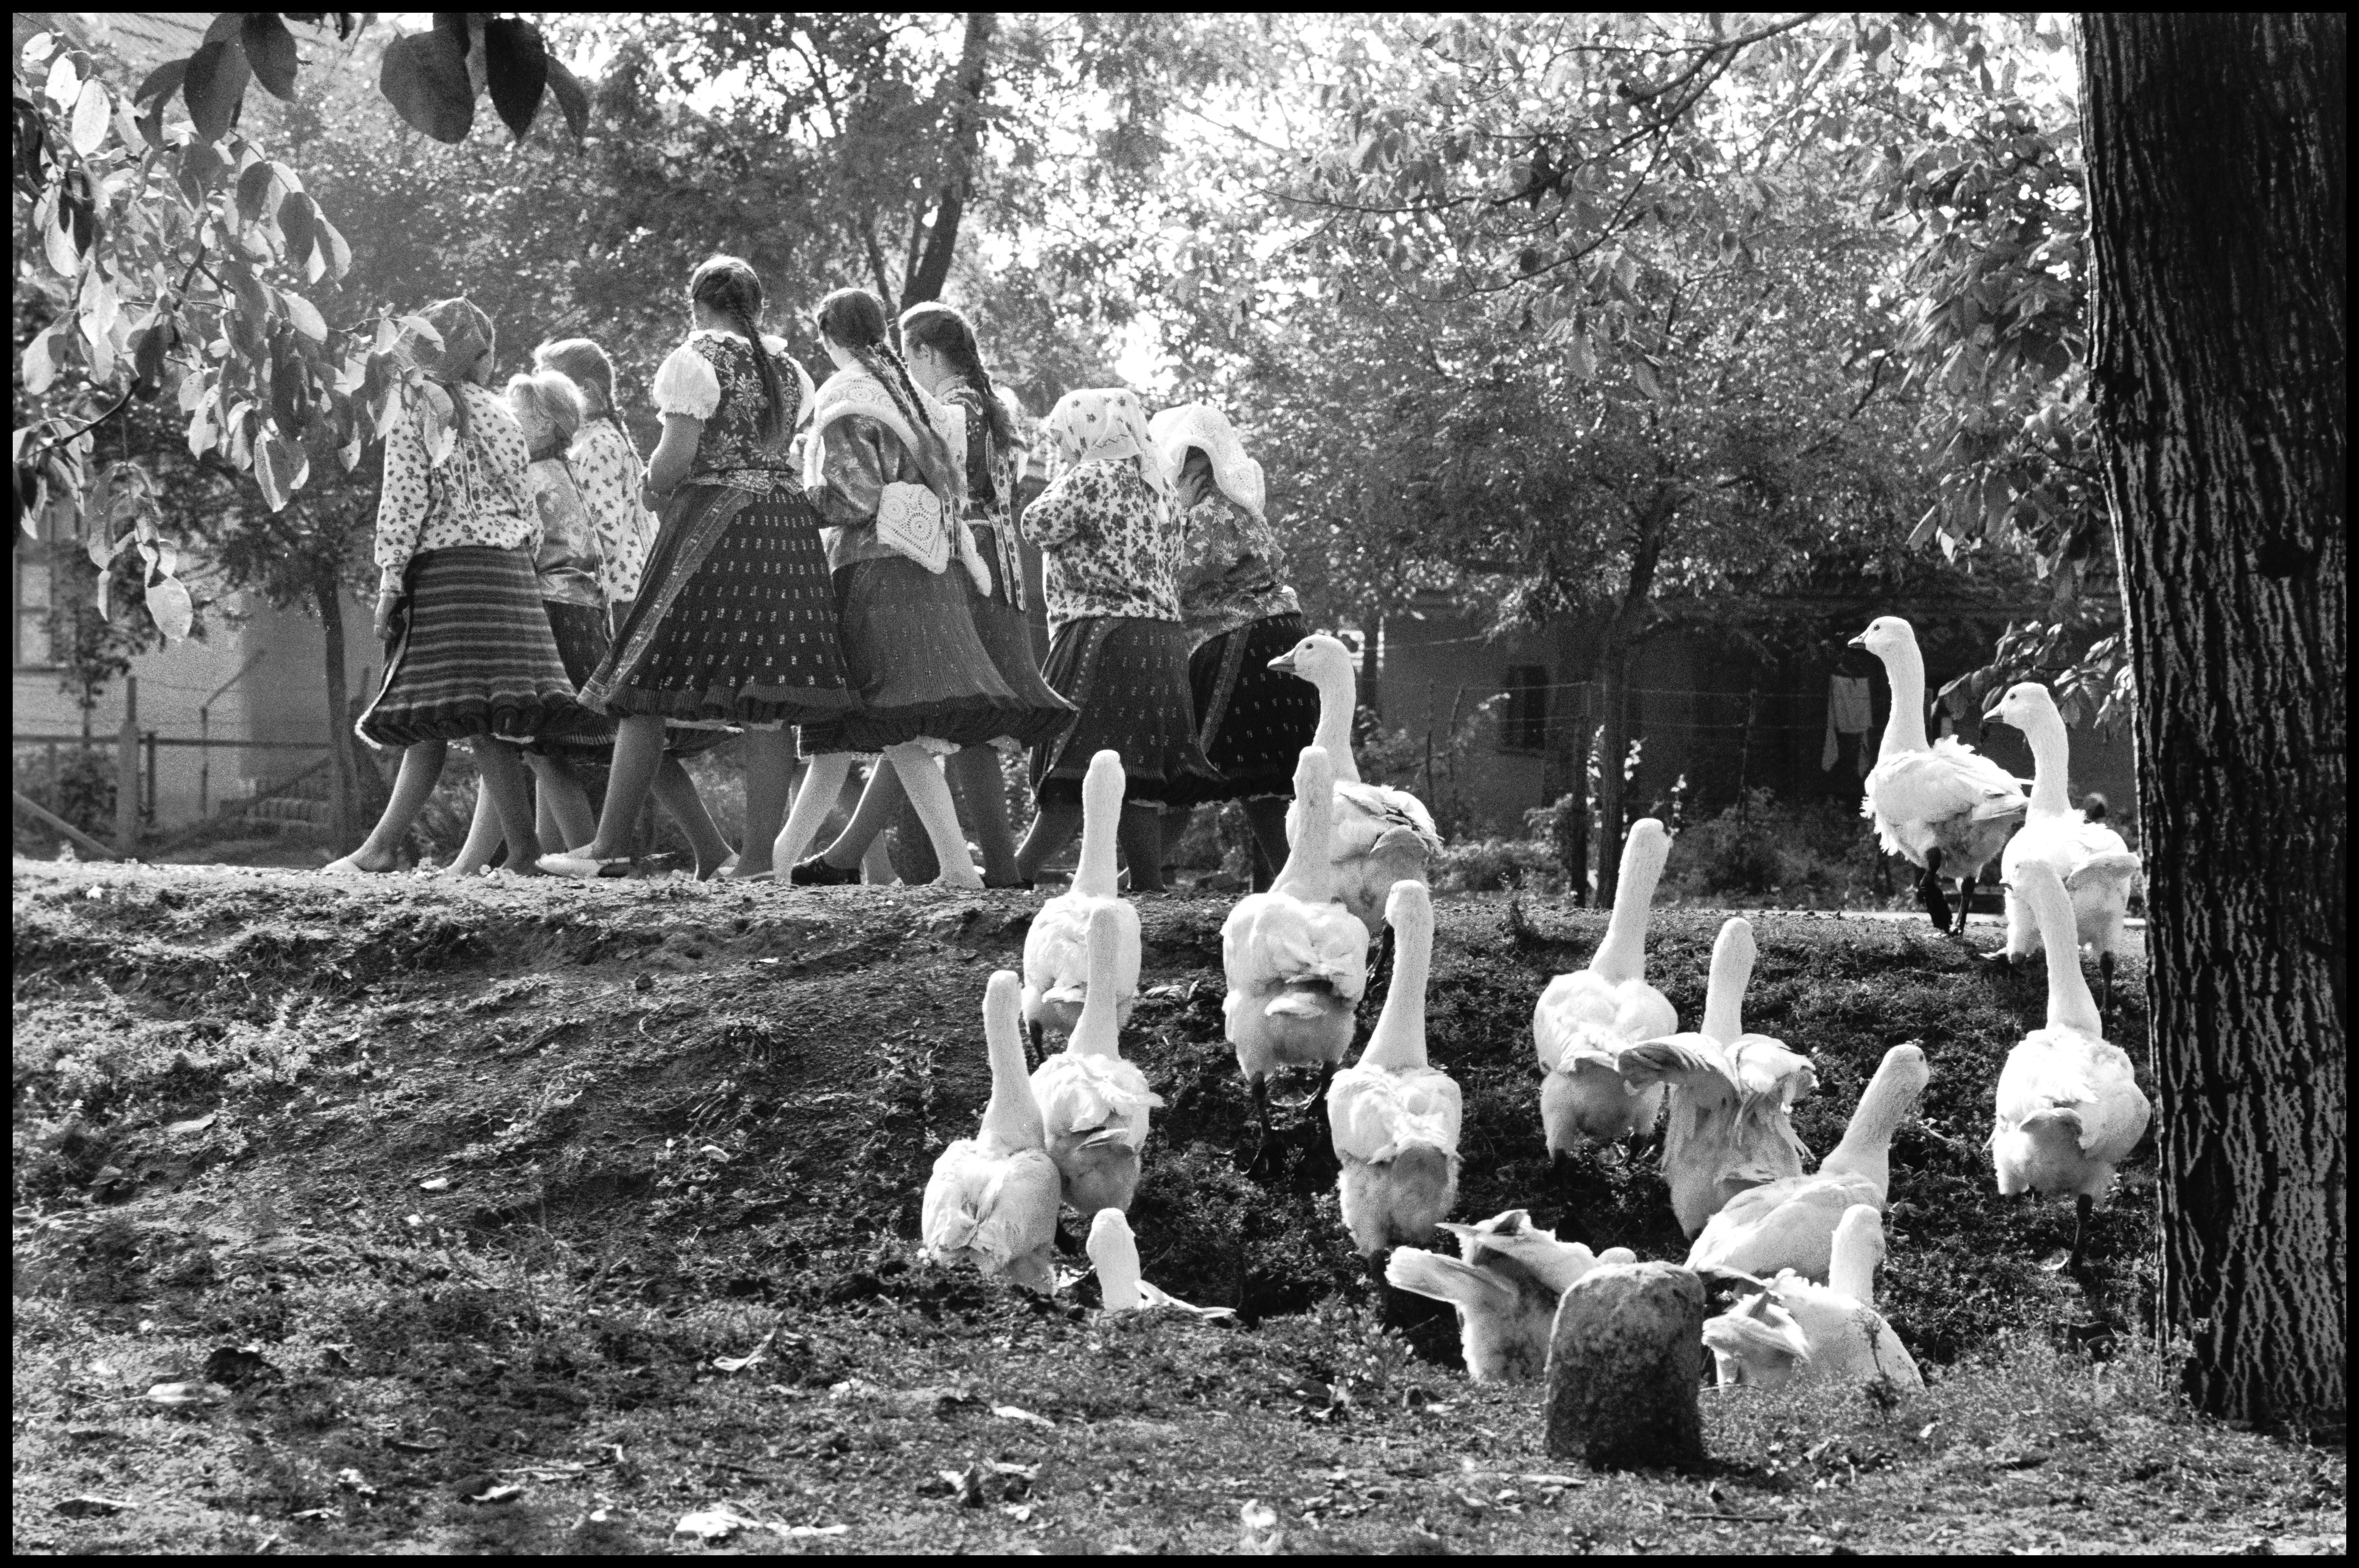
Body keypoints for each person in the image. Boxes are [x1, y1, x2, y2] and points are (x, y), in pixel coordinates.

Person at [541, 256, 855, 878]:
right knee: (767, 695)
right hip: (785, 529)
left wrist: (656, 488)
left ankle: (605, 850)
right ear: (756, 307)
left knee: (643, 678)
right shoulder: (792, 371)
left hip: (718, 526)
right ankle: (760, 861)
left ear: (696, 305)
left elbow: (670, 463)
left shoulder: (693, 361)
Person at [795, 302, 1076, 887]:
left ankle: (983, 866)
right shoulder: (996, 407)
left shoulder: (954, 410)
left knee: (936, 713)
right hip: (996, 566)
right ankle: (860, 856)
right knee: (932, 718)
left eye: (907, 352)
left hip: (950, 560)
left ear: (923, 351)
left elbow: (942, 483)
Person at [327, 297, 582, 876]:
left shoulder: (417, 407)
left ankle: (508, 850)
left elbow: (405, 498)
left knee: (464, 710)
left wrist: (391, 579)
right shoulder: (501, 415)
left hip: (450, 573)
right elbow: (527, 508)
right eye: (488, 352)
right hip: (509, 574)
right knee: (462, 711)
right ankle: (397, 845)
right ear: (474, 355)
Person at [1014, 387, 1213, 890]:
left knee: (1074, 763)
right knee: (1135, 770)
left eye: (1063, 441)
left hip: (1106, 635)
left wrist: (1069, 473)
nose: (1062, 452)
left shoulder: (1089, 477)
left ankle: (1015, 872)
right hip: (1162, 642)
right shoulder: (1159, 485)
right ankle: (1148, 883)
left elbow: (1035, 524)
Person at [1150, 402, 1315, 889]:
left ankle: (1136, 875)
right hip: (1284, 635)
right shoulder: (1241, 507)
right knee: (1264, 784)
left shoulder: (1204, 514)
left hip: (1242, 643)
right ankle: (1285, 885)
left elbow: (1172, 583)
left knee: (1189, 772)